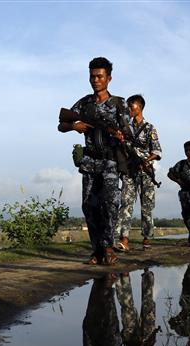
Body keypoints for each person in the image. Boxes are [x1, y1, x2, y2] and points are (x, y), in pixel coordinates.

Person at [57, 57, 128, 265]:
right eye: (92, 76)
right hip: (90, 162)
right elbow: (61, 124)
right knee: (89, 206)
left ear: (109, 78)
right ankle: (96, 250)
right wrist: (74, 126)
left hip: (110, 163)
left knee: (110, 205)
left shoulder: (118, 104)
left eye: (100, 76)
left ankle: (107, 247)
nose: (95, 80)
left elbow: (126, 131)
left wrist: (120, 136)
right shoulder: (84, 103)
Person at [115, 95, 162, 252]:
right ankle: (124, 239)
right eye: (128, 106)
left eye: (131, 106)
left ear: (139, 107)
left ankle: (147, 237)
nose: (129, 109)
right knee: (126, 204)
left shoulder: (150, 128)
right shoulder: (125, 128)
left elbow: (156, 151)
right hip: (129, 170)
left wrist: (145, 162)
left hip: (146, 172)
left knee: (146, 206)